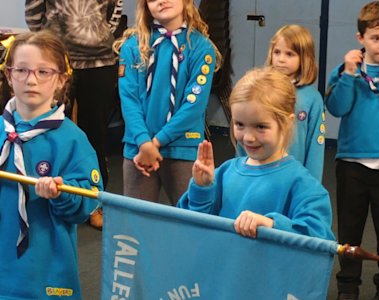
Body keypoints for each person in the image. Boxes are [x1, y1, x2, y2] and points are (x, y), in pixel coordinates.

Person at [0, 31, 102, 299]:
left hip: (44, 269)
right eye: (21, 70)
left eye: (43, 72)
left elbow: (88, 203)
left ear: (61, 80)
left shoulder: (73, 140)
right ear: (9, 76)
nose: (31, 79)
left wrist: (62, 192)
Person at [177, 67, 334, 241]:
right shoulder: (224, 173)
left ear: (287, 123)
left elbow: (319, 239)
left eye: (260, 126)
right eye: (239, 125)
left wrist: (271, 224)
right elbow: (191, 228)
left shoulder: (302, 184)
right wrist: (202, 188)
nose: (249, 137)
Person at [24, 0, 124, 229]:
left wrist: (97, 35)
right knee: (49, 133)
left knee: (95, 134)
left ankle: (95, 201)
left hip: (99, 61)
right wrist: (51, 42)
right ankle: (51, 195)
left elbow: (115, 8)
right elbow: (33, 12)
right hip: (57, 60)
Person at [325, 2, 379, 299]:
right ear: (361, 38)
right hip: (352, 164)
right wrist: (350, 74)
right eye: (375, 37)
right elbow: (337, 107)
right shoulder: (347, 70)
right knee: (351, 230)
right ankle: (347, 286)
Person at [114, 0, 221, 205]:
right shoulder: (132, 46)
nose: (162, 1)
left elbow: (193, 105)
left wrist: (157, 142)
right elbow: (129, 100)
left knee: (190, 220)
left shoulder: (201, 47)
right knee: (137, 225)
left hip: (183, 146)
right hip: (139, 149)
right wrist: (144, 143)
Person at [237, 25, 325, 181]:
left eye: (289, 54)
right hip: (257, 173)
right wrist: (241, 171)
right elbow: (245, 135)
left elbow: (315, 149)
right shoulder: (260, 90)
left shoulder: (312, 98)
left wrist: (311, 184)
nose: (281, 59)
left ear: (304, 58)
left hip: (294, 178)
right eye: (277, 52)